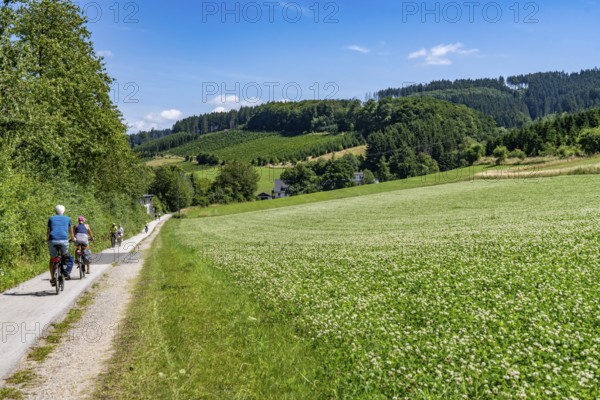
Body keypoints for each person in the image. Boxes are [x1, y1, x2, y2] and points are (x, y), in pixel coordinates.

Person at [47, 205, 75, 286]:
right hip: (63, 240)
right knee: (65, 257)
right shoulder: (67, 218)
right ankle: (65, 272)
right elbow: (71, 231)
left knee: (52, 259)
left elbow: (48, 231)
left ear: (55, 211)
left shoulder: (51, 218)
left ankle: (52, 278)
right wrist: (73, 238)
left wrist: (47, 239)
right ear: (64, 211)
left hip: (52, 240)